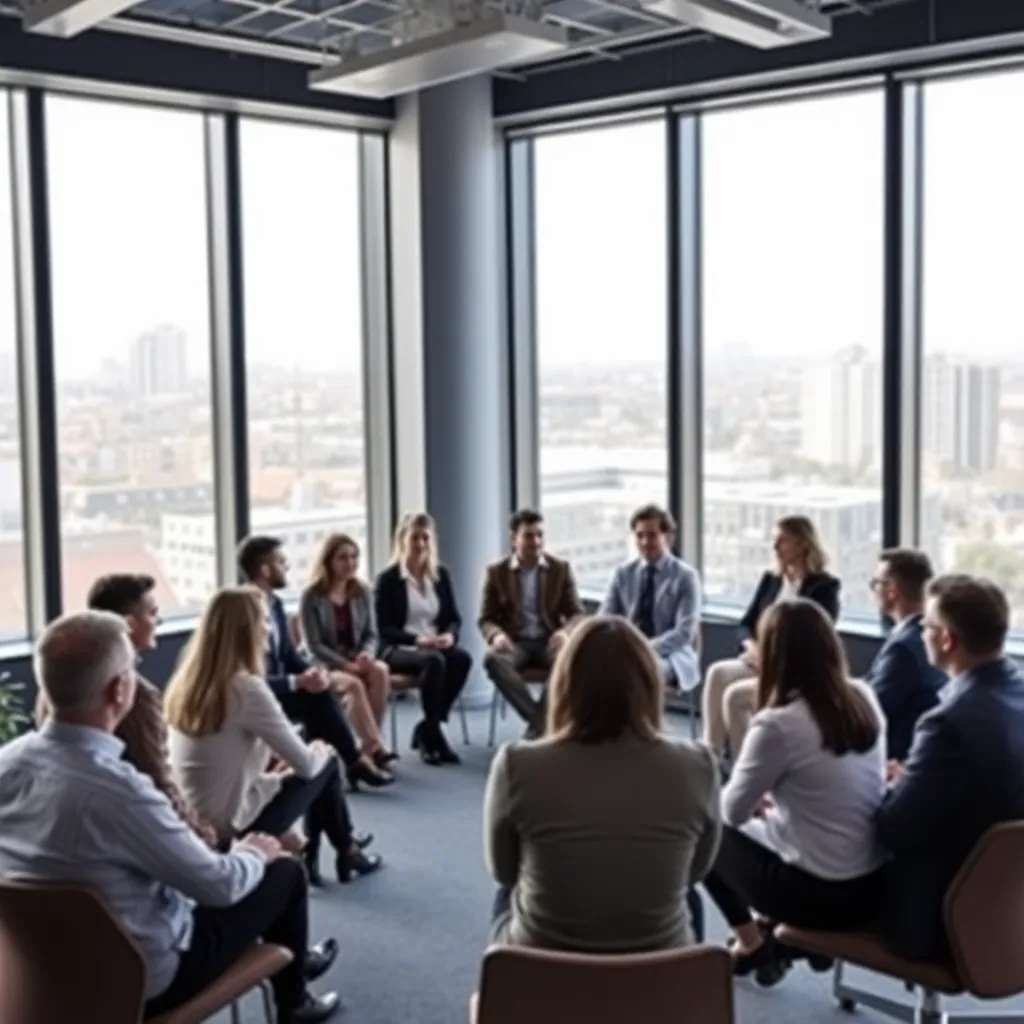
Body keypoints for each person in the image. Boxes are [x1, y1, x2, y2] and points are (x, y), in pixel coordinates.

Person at [0, 611, 340, 1023]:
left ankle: (295, 968)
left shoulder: (8, 763)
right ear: (120, 689)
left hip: (39, 970)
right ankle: (294, 1001)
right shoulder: (121, 792)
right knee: (283, 873)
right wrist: (253, 851)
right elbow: (219, 886)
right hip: (141, 979)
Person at [484, 615, 721, 952]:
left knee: (506, 895)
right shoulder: (698, 766)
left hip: (544, 972)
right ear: (650, 684)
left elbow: (504, 872)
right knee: (687, 896)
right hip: (659, 974)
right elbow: (696, 870)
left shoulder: (517, 766)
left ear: (565, 683)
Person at [702, 599, 887, 986]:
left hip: (819, 894)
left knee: (705, 829)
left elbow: (731, 812)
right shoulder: (863, 697)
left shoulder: (778, 724)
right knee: (771, 827)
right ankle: (783, 937)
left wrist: (754, 798)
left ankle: (752, 945)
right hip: (872, 886)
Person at [165, 587, 382, 888]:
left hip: (194, 816)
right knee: (327, 760)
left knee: (307, 765)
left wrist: (273, 766)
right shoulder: (246, 688)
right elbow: (306, 765)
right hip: (230, 823)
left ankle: (325, 849)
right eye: (264, 621)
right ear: (248, 631)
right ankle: (342, 850)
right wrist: (317, 748)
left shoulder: (188, 682)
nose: (269, 628)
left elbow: (226, 748)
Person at [875, 575, 1024, 962]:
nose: (921, 633)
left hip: (937, 918)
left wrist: (892, 786)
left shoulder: (949, 723)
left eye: (926, 626)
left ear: (946, 640)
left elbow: (895, 830)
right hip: (1009, 908)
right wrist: (917, 780)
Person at [35, 573, 217, 848]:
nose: (160, 621)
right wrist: (202, 837)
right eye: (153, 613)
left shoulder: (56, 686)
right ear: (130, 625)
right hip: (134, 839)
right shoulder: (136, 696)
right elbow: (158, 781)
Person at [239, 535, 393, 791]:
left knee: (327, 694)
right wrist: (301, 679)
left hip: (289, 683)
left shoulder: (274, 604)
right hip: (259, 695)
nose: (287, 567)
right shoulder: (242, 612)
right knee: (323, 700)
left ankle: (352, 762)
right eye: (281, 561)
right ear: (265, 570)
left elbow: (288, 655)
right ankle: (356, 760)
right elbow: (247, 679)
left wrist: (310, 674)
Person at [702, 515, 841, 762]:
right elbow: (745, 624)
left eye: (782, 540)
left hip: (794, 671)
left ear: (802, 543)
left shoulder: (824, 587)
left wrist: (771, 659)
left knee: (734, 695)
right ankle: (711, 754)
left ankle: (746, 765)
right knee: (717, 673)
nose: (775, 547)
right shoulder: (772, 580)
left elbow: (815, 640)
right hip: (758, 661)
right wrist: (751, 646)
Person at [373, 512, 472, 766]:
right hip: (398, 649)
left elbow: (453, 617)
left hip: (433, 646)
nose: (420, 544)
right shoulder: (388, 580)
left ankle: (429, 728)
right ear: (402, 539)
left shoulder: (440, 575)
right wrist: (419, 640)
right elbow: (383, 629)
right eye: (414, 537)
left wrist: (450, 635)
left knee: (461, 659)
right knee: (434, 662)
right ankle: (433, 736)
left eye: (425, 538)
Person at [479, 509, 584, 737]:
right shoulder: (497, 573)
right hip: (515, 642)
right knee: (493, 660)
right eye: (528, 535)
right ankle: (541, 721)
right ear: (513, 539)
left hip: (550, 640)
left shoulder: (560, 569)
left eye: (540, 535)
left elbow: (577, 614)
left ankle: (538, 725)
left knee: (569, 661)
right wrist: (496, 635)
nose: (536, 541)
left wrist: (565, 632)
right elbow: (486, 618)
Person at [298, 534, 395, 770]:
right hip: (322, 663)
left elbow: (372, 634)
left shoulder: (362, 591)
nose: (350, 563)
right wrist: (344, 664)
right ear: (329, 561)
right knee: (353, 685)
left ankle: (367, 747)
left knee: (381, 670)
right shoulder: (311, 596)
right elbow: (314, 645)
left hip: (355, 657)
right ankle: (375, 747)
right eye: (343, 557)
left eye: (354, 557)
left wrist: (366, 654)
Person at [600, 504, 702, 691]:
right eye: (640, 536)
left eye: (652, 535)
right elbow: (605, 618)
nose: (645, 542)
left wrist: (643, 647)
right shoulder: (623, 574)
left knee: (635, 671)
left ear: (668, 537)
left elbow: (684, 633)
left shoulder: (686, 577)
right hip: (627, 650)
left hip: (670, 655)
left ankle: (637, 720)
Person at [865, 549, 947, 762]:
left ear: (892, 591)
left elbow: (869, 708)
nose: (874, 590)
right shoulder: (932, 636)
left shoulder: (904, 648)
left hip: (899, 761)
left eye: (877, 583)